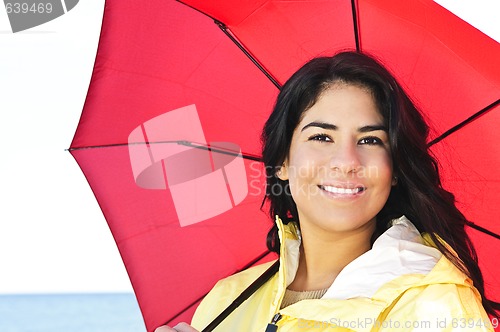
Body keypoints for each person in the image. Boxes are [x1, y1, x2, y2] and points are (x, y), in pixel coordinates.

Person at [156, 52, 499, 331]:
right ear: (282, 163)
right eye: (321, 137)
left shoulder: (434, 306)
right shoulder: (227, 300)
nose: (346, 161)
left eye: (370, 140)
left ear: (394, 170)